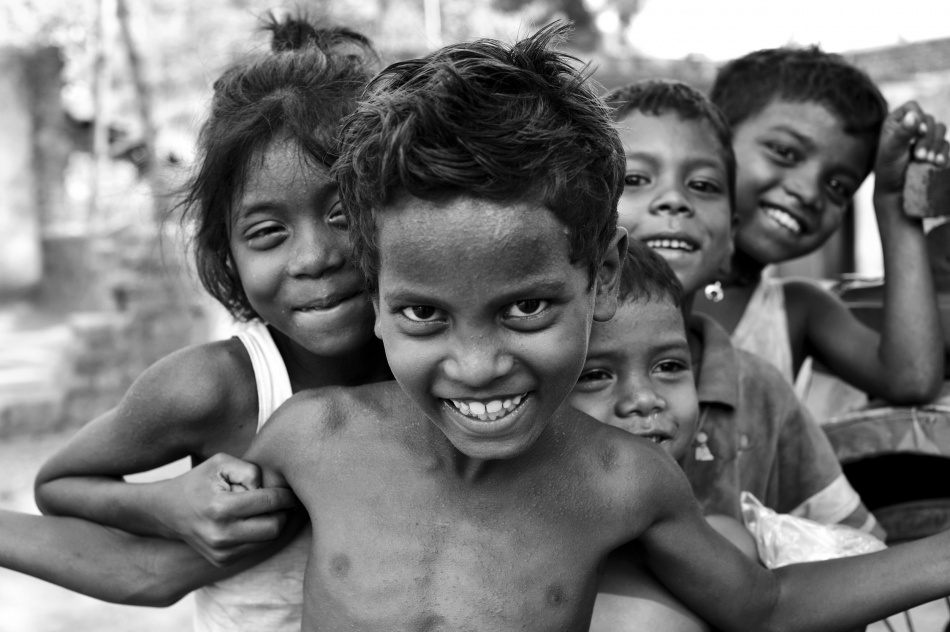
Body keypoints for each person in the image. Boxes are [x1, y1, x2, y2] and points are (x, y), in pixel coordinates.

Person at [237, 25, 950, 631]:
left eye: (526, 309)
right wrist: (169, 507)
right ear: (374, 289)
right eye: (425, 314)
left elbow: (764, 607)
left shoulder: (623, 481)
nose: (477, 366)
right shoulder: (313, 437)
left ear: (603, 276)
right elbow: (186, 559)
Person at [27, 14, 389, 630]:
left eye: (344, 213)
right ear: (228, 252)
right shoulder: (215, 388)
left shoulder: (446, 367)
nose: (314, 257)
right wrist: (166, 504)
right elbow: (58, 484)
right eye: (268, 232)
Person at [602, 78, 881, 534]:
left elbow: (858, 539)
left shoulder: (761, 391)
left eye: (702, 185)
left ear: (731, 235)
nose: (674, 200)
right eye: (635, 179)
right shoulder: (548, 375)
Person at [692, 46, 946, 410]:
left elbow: (912, 378)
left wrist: (893, 200)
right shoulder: (624, 270)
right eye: (785, 152)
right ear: (711, 138)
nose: (809, 192)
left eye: (838, 186)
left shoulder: (799, 310)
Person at [569, 240, 758, 632]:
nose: (644, 400)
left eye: (669, 366)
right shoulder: (514, 560)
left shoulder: (726, 549)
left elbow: (777, 609)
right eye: (596, 375)